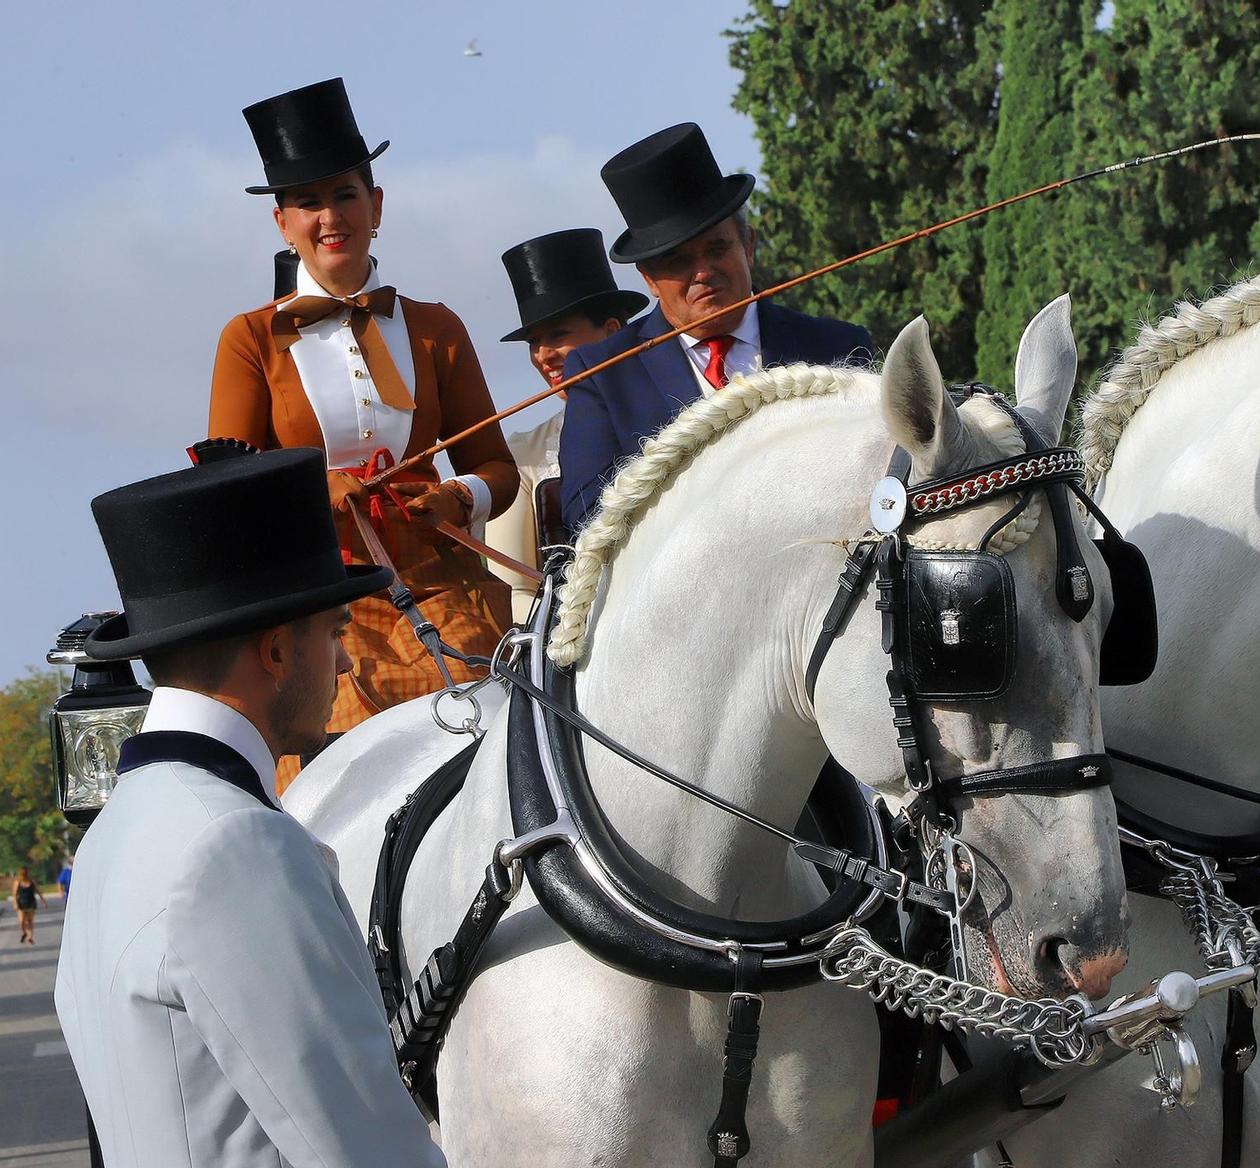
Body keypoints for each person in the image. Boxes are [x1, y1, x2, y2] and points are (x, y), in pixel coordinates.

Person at [55, 448, 497, 1168]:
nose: (341, 664)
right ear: (273, 649)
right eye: (332, 636)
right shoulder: (236, 845)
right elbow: (361, 1147)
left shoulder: (113, 841)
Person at [207, 78, 519, 778]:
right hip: (321, 603)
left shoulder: (438, 329)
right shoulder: (249, 340)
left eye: (345, 195)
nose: (330, 217)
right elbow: (229, 487)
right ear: (282, 222)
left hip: (443, 586)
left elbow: (498, 470)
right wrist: (317, 490)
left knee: (494, 742)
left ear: (376, 206)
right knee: (340, 773)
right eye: (309, 203)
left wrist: (458, 497)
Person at [557, 122, 874, 531]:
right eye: (677, 262)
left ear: (749, 246)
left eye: (717, 248)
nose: (703, 272)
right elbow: (588, 515)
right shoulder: (605, 375)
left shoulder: (836, 348)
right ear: (649, 279)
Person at [482, 228, 645, 616]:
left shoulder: (678, 413)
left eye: (558, 335)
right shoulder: (525, 455)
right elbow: (516, 588)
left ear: (611, 332)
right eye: (533, 343)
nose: (543, 356)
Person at [12, 867, 39, 944]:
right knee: (21, 921)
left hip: (31, 903)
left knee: (30, 921)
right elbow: (14, 894)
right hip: (21, 904)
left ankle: (30, 937)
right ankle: (24, 932)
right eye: (22, 875)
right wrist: (15, 904)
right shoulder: (17, 882)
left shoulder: (31, 881)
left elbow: (37, 891)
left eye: (25, 874)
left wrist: (44, 901)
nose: (23, 876)